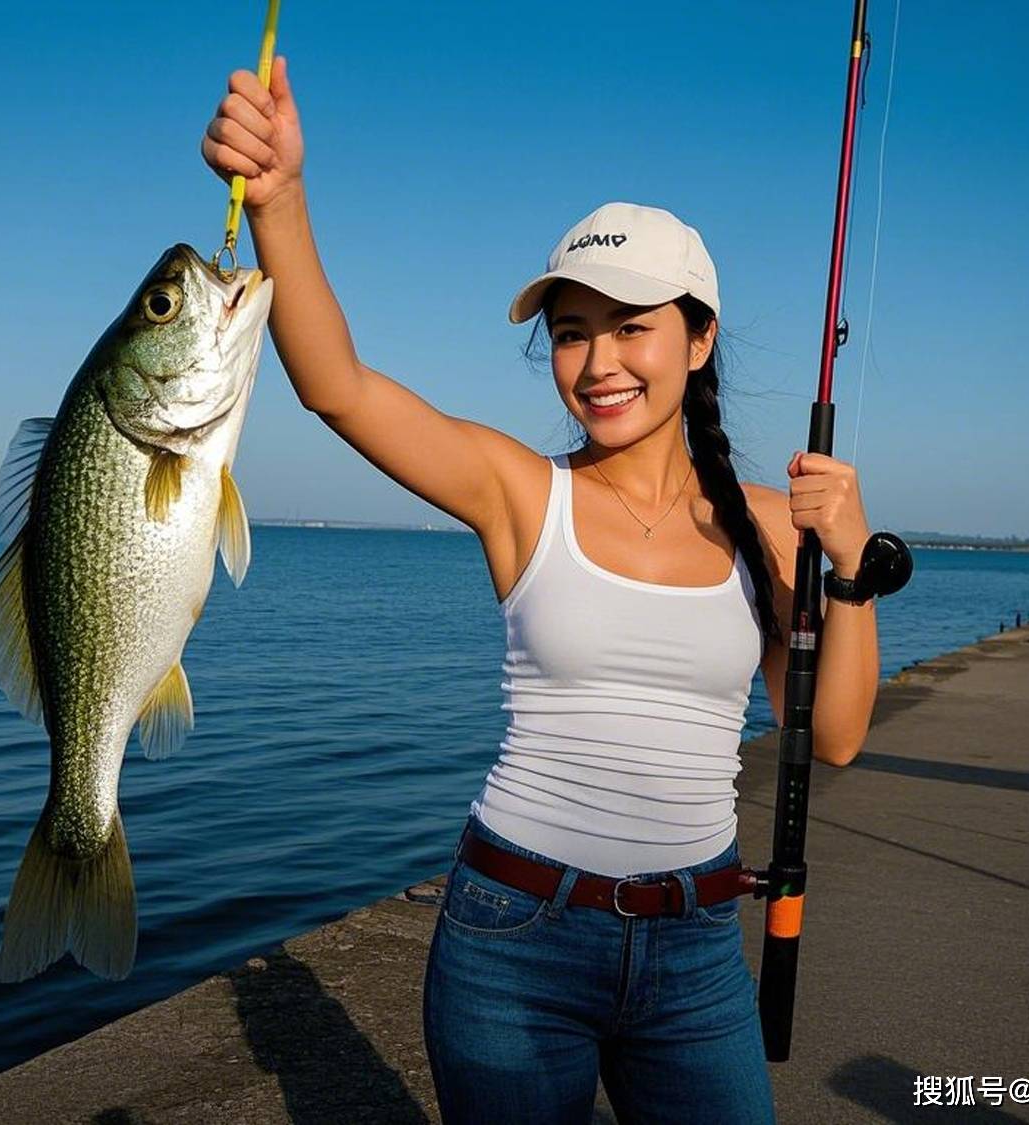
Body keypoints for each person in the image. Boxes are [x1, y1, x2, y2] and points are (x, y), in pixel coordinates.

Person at [203, 59, 881, 1124]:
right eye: (571, 331)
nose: (598, 362)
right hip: (513, 937)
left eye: (630, 326)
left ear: (699, 340)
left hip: (699, 948)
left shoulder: (768, 524)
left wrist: (849, 569)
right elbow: (338, 387)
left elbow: (830, 735)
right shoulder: (520, 491)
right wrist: (281, 199)